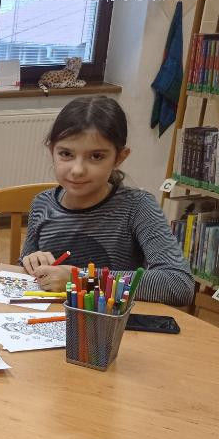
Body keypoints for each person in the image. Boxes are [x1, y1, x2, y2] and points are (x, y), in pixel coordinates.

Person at [20, 95, 194, 305]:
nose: (77, 170)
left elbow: (179, 284)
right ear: (52, 151)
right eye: (66, 153)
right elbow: (24, 271)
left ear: (119, 157)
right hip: (48, 319)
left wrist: (80, 281)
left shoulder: (137, 207)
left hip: (111, 322)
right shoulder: (42, 204)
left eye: (96, 156)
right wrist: (31, 261)